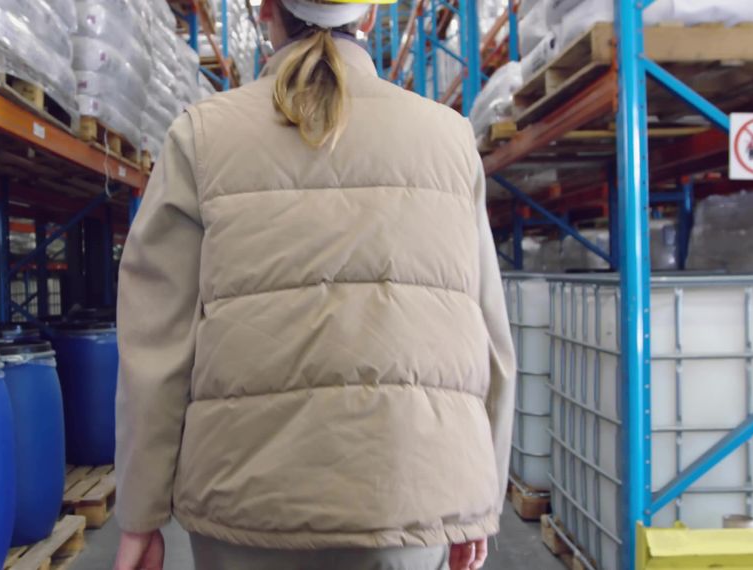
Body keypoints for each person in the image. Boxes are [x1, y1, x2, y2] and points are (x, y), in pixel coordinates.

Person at [113, 0, 515, 568]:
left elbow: (155, 347)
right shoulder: (449, 140)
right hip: (406, 504)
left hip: (244, 512)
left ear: (267, 11)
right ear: (371, 17)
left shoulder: (201, 137)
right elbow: (489, 337)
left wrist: (140, 515)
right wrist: (478, 498)